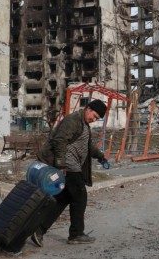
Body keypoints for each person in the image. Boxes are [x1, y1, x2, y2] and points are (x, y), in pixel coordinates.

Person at [32, 99, 108, 246]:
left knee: (63, 199)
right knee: (80, 197)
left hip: (71, 166)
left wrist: (101, 157)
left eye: (97, 119)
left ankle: (38, 230)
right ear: (88, 108)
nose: (94, 120)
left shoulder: (83, 124)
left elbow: (88, 146)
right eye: (94, 116)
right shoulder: (73, 120)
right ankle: (76, 234)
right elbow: (59, 140)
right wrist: (61, 165)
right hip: (69, 166)